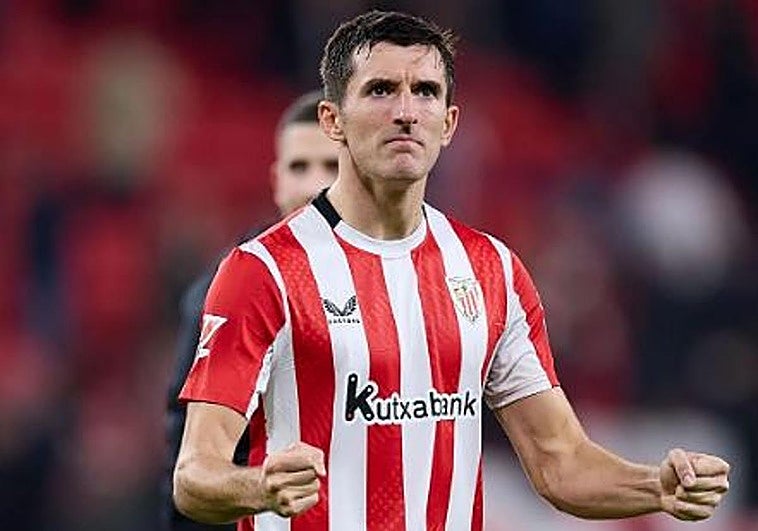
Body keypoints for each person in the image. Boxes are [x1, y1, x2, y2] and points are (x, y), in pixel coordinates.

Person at [172, 11, 731, 531]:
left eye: (425, 92)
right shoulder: (263, 272)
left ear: (448, 123)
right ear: (332, 121)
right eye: (381, 90)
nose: (406, 112)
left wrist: (655, 487)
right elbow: (194, 476)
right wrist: (257, 486)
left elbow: (560, 463)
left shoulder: (491, 272)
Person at [164, 90, 338, 531]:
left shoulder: (402, 282)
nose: (313, 185)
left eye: (332, 166)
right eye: (299, 167)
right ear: (276, 180)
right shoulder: (224, 292)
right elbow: (189, 465)